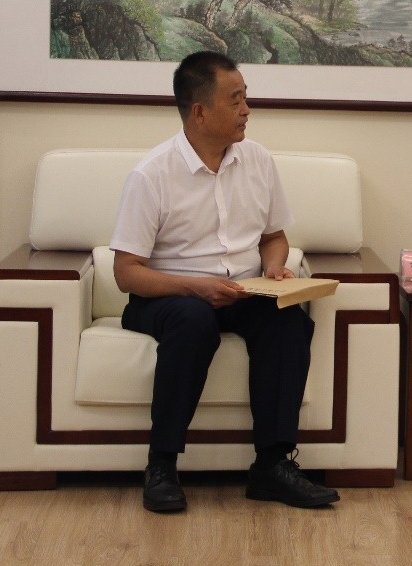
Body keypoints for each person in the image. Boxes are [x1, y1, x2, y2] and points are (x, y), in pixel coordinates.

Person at [110, 50, 339, 513]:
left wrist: (274, 268)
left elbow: (274, 237)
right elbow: (125, 272)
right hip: (169, 298)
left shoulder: (257, 160)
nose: (246, 110)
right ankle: (161, 465)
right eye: (235, 101)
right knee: (193, 320)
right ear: (199, 112)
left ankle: (272, 465)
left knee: (286, 318)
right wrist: (194, 287)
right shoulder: (152, 174)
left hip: (242, 290)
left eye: (246, 98)